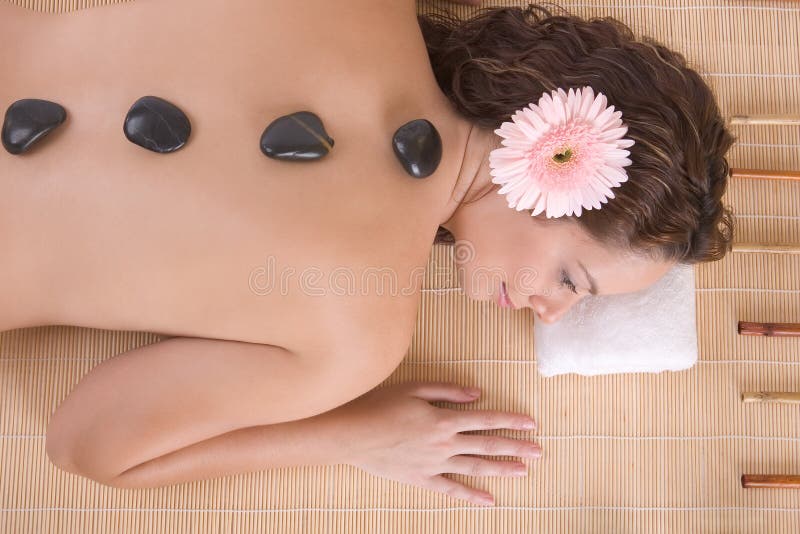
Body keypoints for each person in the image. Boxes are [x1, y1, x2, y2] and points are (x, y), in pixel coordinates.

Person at [0, 0, 733, 506]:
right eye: (572, 279)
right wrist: (362, 435)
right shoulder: (356, 333)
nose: (551, 312)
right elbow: (88, 448)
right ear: (553, 157)